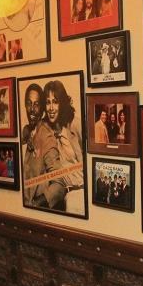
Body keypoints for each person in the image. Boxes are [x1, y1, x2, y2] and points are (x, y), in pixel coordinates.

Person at [44, 80, 85, 213]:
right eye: (47, 102)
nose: (51, 108)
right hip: (65, 197)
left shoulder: (76, 125)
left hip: (82, 194)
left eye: (55, 102)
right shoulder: (47, 131)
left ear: (62, 103)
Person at [21, 84, 64, 209]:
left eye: (36, 104)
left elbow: (59, 184)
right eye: (29, 104)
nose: (32, 109)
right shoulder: (28, 131)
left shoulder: (46, 137)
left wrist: (36, 203)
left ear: (42, 109)